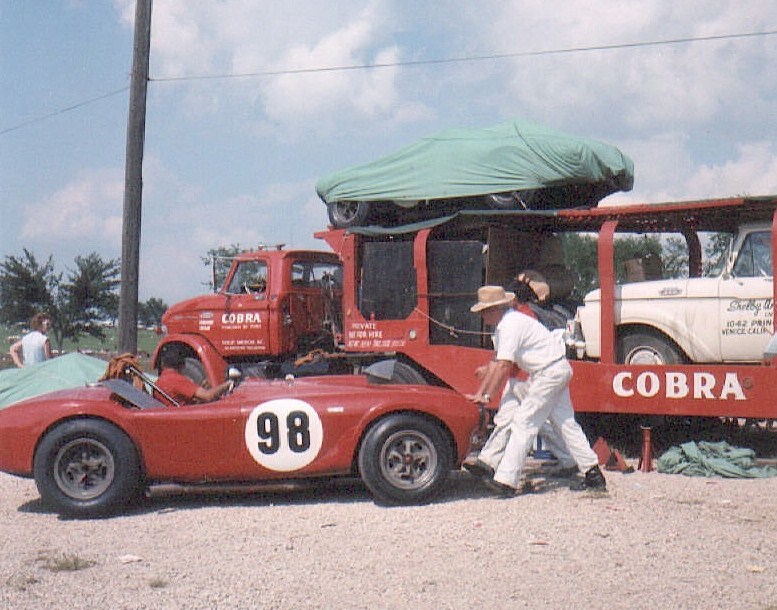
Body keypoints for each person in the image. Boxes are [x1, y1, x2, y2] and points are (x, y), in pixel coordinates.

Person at [466, 284, 605, 496]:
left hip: (547, 373)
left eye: (484, 311)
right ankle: (593, 474)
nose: (483, 316)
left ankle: (506, 481)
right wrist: (482, 392)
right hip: (555, 369)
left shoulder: (509, 325)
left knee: (524, 423)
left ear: (496, 309)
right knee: (566, 425)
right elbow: (498, 363)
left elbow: (503, 366)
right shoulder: (511, 322)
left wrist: (485, 395)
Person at [154, 346, 232, 406]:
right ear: (182, 365)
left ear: (162, 364)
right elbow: (208, 396)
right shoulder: (176, 380)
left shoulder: (159, 381)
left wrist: (202, 388)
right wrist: (227, 384)